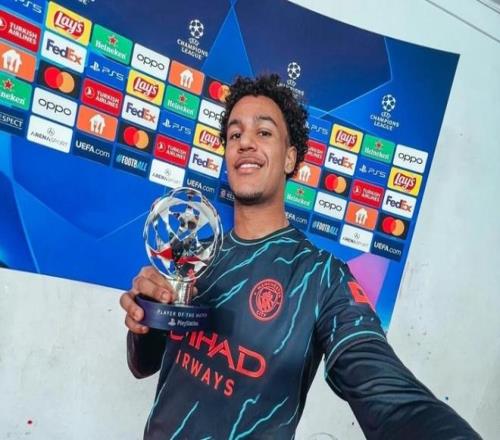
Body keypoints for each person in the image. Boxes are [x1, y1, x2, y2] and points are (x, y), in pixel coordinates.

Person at [120, 74, 480, 439]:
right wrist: (146, 318)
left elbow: (389, 395)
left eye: (264, 132)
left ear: (290, 158)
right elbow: (142, 365)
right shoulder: (195, 255)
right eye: (235, 134)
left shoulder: (323, 278)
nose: (245, 142)